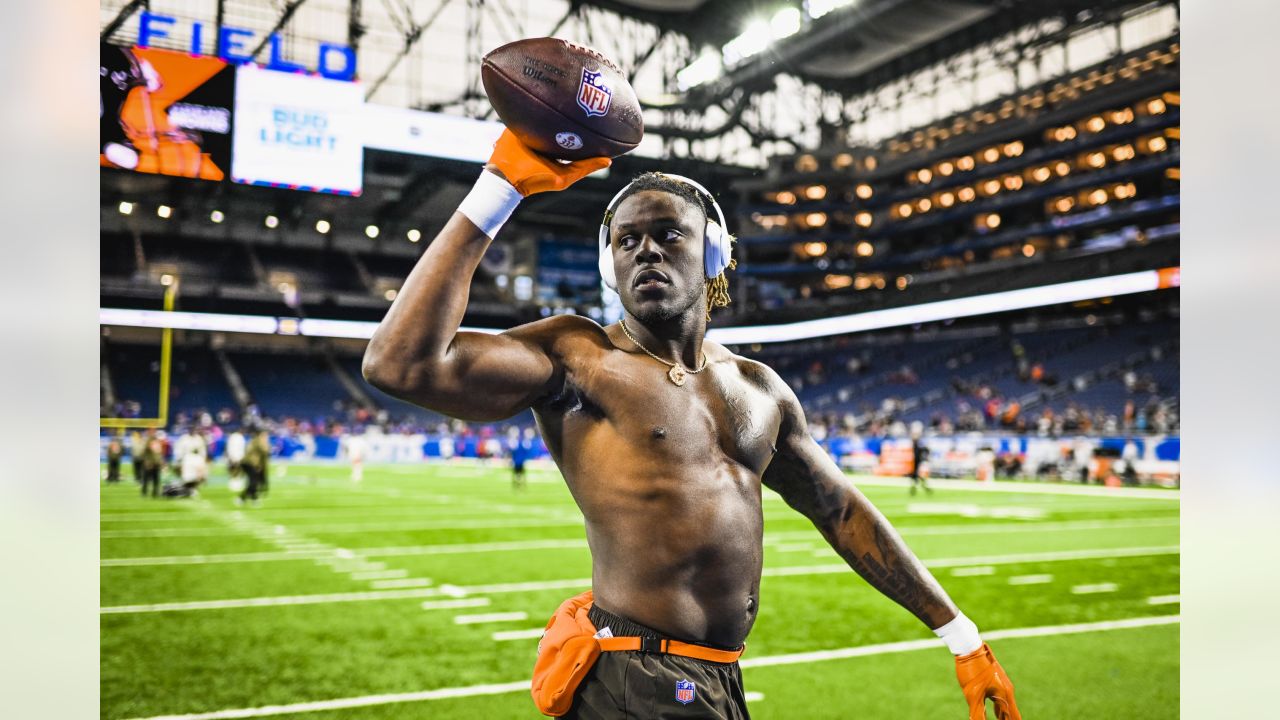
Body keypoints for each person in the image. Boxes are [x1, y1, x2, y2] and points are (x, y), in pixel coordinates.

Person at [362, 131, 1019, 719]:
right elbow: (400, 364)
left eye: (669, 233)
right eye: (627, 241)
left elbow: (840, 509)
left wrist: (961, 636)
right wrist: (498, 189)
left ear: (714, 256)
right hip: (635, 677)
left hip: (718, 681)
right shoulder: (576, 357)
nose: (646, 249)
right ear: (608, 268)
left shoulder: (758, 388)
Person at [238, 428, 270, 507]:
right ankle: (243, 498)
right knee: (254, 481)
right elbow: (265, 450)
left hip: (247, 462)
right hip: (250, 463)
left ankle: (253, 498)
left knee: (253, 481)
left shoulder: (253, 440)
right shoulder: (259, 441)